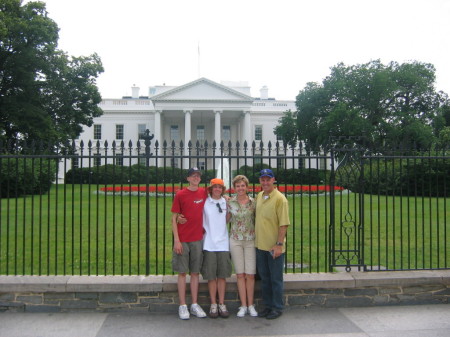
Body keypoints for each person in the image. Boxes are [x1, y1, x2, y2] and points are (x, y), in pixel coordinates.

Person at [171, 167, 207, 320]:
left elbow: (219, 195)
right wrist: (177, 241)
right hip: (183, 239)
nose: (196, 178)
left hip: (198, 239)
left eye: (198, 176)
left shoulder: (204, 193)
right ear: (187, 178)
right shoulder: (180, 194)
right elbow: (174, 218)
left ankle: (194, 304)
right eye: (193, 175)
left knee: (195, 273)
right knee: (181, 273)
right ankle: (182, 305)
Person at [255, 168, 290, 320]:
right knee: (265, 278)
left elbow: (284, 224)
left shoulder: (280, 199)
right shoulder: (259, 196)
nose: (265, 182)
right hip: (260, 245)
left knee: (275, 279)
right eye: (263, 179)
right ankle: (268, 305)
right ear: (260, 181)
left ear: (273, 180)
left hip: (274, 247)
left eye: (268, 179)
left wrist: (279, 244)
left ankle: (277, 307)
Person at [227, 175, 258, 317]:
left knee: (250, 275)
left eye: (242, 185)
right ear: (234, 188)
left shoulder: (253, 202)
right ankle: (243, 305)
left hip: (250, 240)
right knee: (240, 274)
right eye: (238, 186)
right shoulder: (230, 202)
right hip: (235, 240)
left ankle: (251, 305)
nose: (240, 188)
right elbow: (224, 219)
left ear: (247, 187)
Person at [201, 178, 232, 318]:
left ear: (223, 189)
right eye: (215, 187)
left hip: (223, 243)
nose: (217, 189)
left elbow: (227, 218)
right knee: (211, 276)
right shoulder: (206, 203)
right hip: (209, 243)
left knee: (222, 276)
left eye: (220, 187)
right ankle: (213, 304)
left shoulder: (226, 202)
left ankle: (221, 303)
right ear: (211, 189)